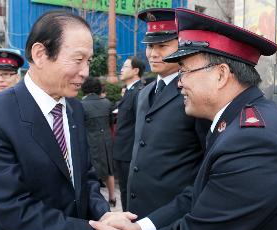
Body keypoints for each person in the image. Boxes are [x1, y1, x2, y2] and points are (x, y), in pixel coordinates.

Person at [88, 8, 277, 230]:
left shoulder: (255, 141)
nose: (180, 82)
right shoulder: (237, 122)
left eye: (185, 71)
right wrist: (141, 228)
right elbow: (200, 195)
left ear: (220, 75)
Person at [0, 11, 110, 230]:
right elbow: (12, 206)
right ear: (40, 54)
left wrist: (103, 217)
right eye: (78, 59)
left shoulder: (73, 108)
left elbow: (84, 175)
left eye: (89, 60)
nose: (85, 72)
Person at [125, 8, 210, 219]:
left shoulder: (194, 93)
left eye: (162, 46)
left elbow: (207, 158)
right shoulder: (143, 93)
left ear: (181, 46)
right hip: (137, 211)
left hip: (175, 214)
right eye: (150, 46)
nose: (153, 53)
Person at [113, 56, 145, 211]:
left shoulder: (139, 92)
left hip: (129, 151)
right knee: (124, 189)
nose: (121, 69)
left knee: (127, 189)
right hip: (122, 150)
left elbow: (140, 123)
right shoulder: (129, 91)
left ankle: (128, 221)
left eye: (125, 66)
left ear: (135, 70)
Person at [81, 77, 116, 206]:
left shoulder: (81, 105)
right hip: (106, 140)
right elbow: (111, 122)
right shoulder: (107, 103)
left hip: (90, 140)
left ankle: (94, 200)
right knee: (109, 170)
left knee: (92, 171)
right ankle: (112, 198)